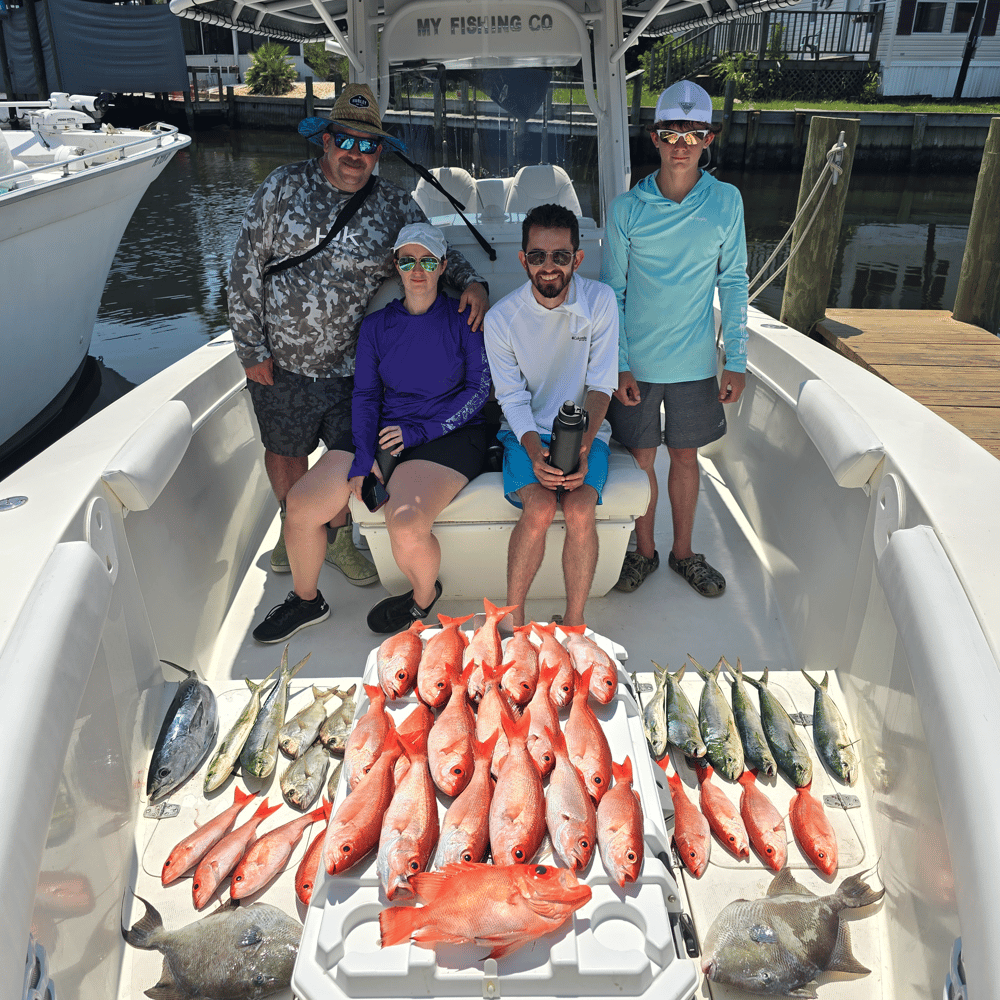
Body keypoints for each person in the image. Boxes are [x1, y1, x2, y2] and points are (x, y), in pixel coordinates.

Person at [228, 83, 489, 590]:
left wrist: (472, 281)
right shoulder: (282, 187)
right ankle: (292, 528)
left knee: (343, 456)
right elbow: (244, 267)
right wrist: (250, 348)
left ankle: (340, 540)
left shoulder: (393, 206)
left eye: (369, 145)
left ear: (379, 154)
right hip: (277, 360)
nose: (356, 154)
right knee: (285, 452)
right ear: (326, 140)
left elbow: (430, 249)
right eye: (347, 140)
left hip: (351, 366)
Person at [252, 223, 491, 642]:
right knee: (303, 505)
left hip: (450, 431)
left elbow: (479, 391)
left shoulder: (461, 320)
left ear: (443, 267)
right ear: (396, 265)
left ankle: (421, 596)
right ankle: (307, 600)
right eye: (408, 260)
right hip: (385, 429)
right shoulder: (377, 326)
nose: (418, 270)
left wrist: (421, 431)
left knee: (405, 522)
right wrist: (363, 459)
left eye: (429, 261)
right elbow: (365, 395)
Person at [601, 79, 748, 597]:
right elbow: (612, 294)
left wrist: (737, 358)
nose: (682, 143)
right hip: (637, 364)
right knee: (640, 460)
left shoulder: (727, 202)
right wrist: (618, 364)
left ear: (710, 138)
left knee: (686, 459)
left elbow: (732, 280)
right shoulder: (625, 210)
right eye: (671, 132)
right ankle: (644, 552)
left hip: (695, 362)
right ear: (655, 138)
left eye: (694, 133)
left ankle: (683, 553)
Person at [484, 203, 619, 628]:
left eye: (560, 256)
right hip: (524, 431)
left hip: (588, 431)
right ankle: (513, 623)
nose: (548, 268)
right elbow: (511, 398)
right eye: (538, 256)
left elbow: (601, 386)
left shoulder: (600, 301)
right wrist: (533, 449)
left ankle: (575, 623)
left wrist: (581, 446)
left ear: (577, 259)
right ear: (523, 259)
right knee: (540, 508)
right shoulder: (501, 318)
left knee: (580, 509)